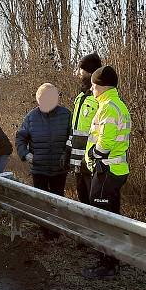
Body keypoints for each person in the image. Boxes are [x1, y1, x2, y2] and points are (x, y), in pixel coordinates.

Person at [83, 65, 131, 279]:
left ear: (102, 86)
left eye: (93, 85)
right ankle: (111, 261)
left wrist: (94, 154)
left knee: (102, 218)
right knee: (111, 217)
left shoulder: (108, 107)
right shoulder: (116, 104)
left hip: (107, 171)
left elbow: (106, 141)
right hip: (114, 170)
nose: (91, 89)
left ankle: (107, 265)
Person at [16, 83, 71, 196]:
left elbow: (72, 138)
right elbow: (20, 138)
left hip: (59, 169)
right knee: (41, 201)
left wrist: (66, 155)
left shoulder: (66, 115)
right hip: (39, 169)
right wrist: (25, 154)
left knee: (58, 201)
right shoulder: (31, 117)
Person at [66, 52, 102, 204]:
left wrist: (94, 158)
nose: (78, 73)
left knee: (95, 204)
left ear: (89, 72)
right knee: (83, 202)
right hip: (78, 164)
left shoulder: (100, 98)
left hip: (92, 164)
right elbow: (74, 129)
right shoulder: (80, 98)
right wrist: (67, 151)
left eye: (80, 69)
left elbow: (104, 132)